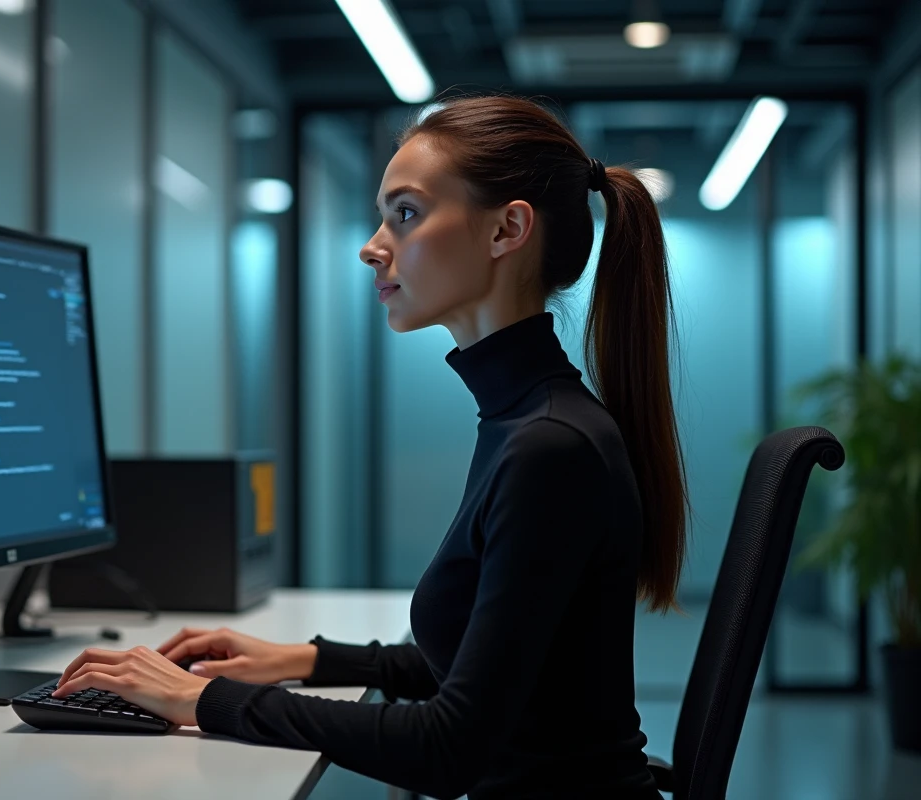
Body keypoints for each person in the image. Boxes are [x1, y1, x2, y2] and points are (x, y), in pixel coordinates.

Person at [53, 94, 688, 800]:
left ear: (506, 229)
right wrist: (301, 659)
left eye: (405, 214)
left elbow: (448, 749)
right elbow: (488, 659)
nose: (371, 245)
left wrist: (202, 700)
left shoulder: (548, 446)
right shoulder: (529, 422)